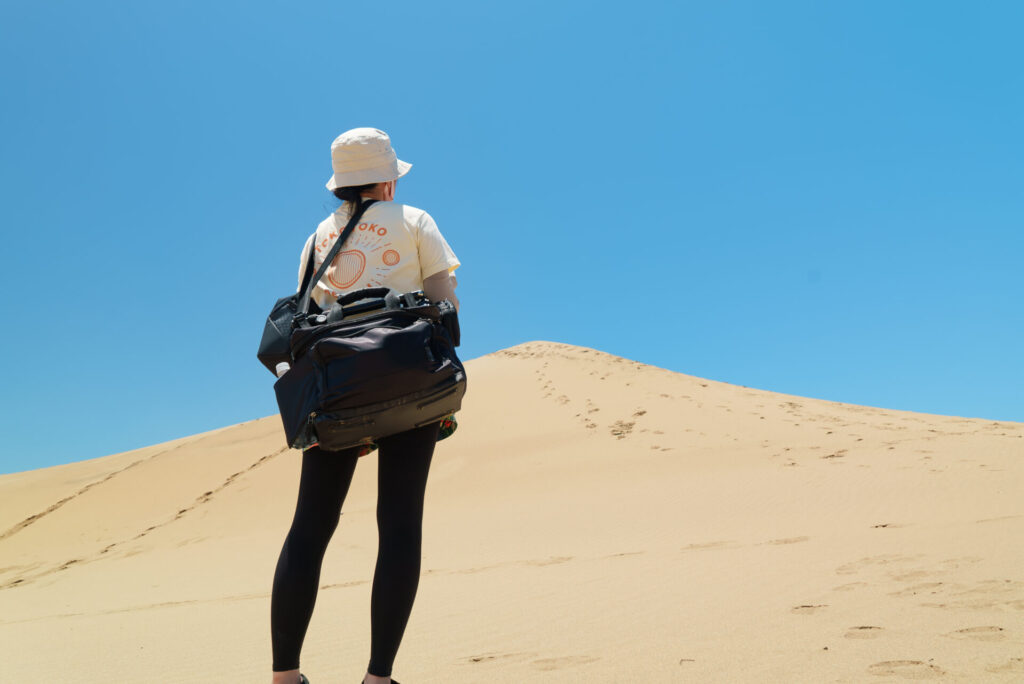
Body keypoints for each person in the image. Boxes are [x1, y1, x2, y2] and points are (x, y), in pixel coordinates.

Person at [270, 128, 460, 684]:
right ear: (387, 177)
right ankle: (378, 677)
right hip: (410, 383)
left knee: (310, 528)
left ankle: (286, 675)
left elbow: (304, 323)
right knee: (399, 525)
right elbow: (446, 303)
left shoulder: (316, 240)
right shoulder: (416, 220)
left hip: (340, 393)